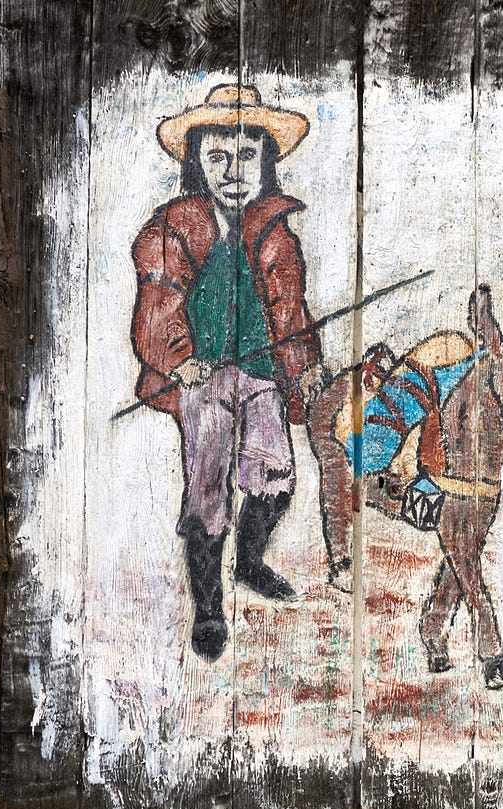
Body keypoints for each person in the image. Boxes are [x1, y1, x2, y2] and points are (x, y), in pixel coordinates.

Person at [129, 84, 326, 661]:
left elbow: (290, 307)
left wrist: (306, 364)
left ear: (266, 162)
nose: (232, 170)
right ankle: (209, 608)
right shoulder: (174, 227)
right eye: (217, 155)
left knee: (276, 475)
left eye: (246, 155)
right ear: (197, 162)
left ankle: (251, 560)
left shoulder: (275, 231)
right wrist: (177, 355)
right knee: (207, 490)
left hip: (263, 372)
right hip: (204, 378)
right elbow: (159, 297)